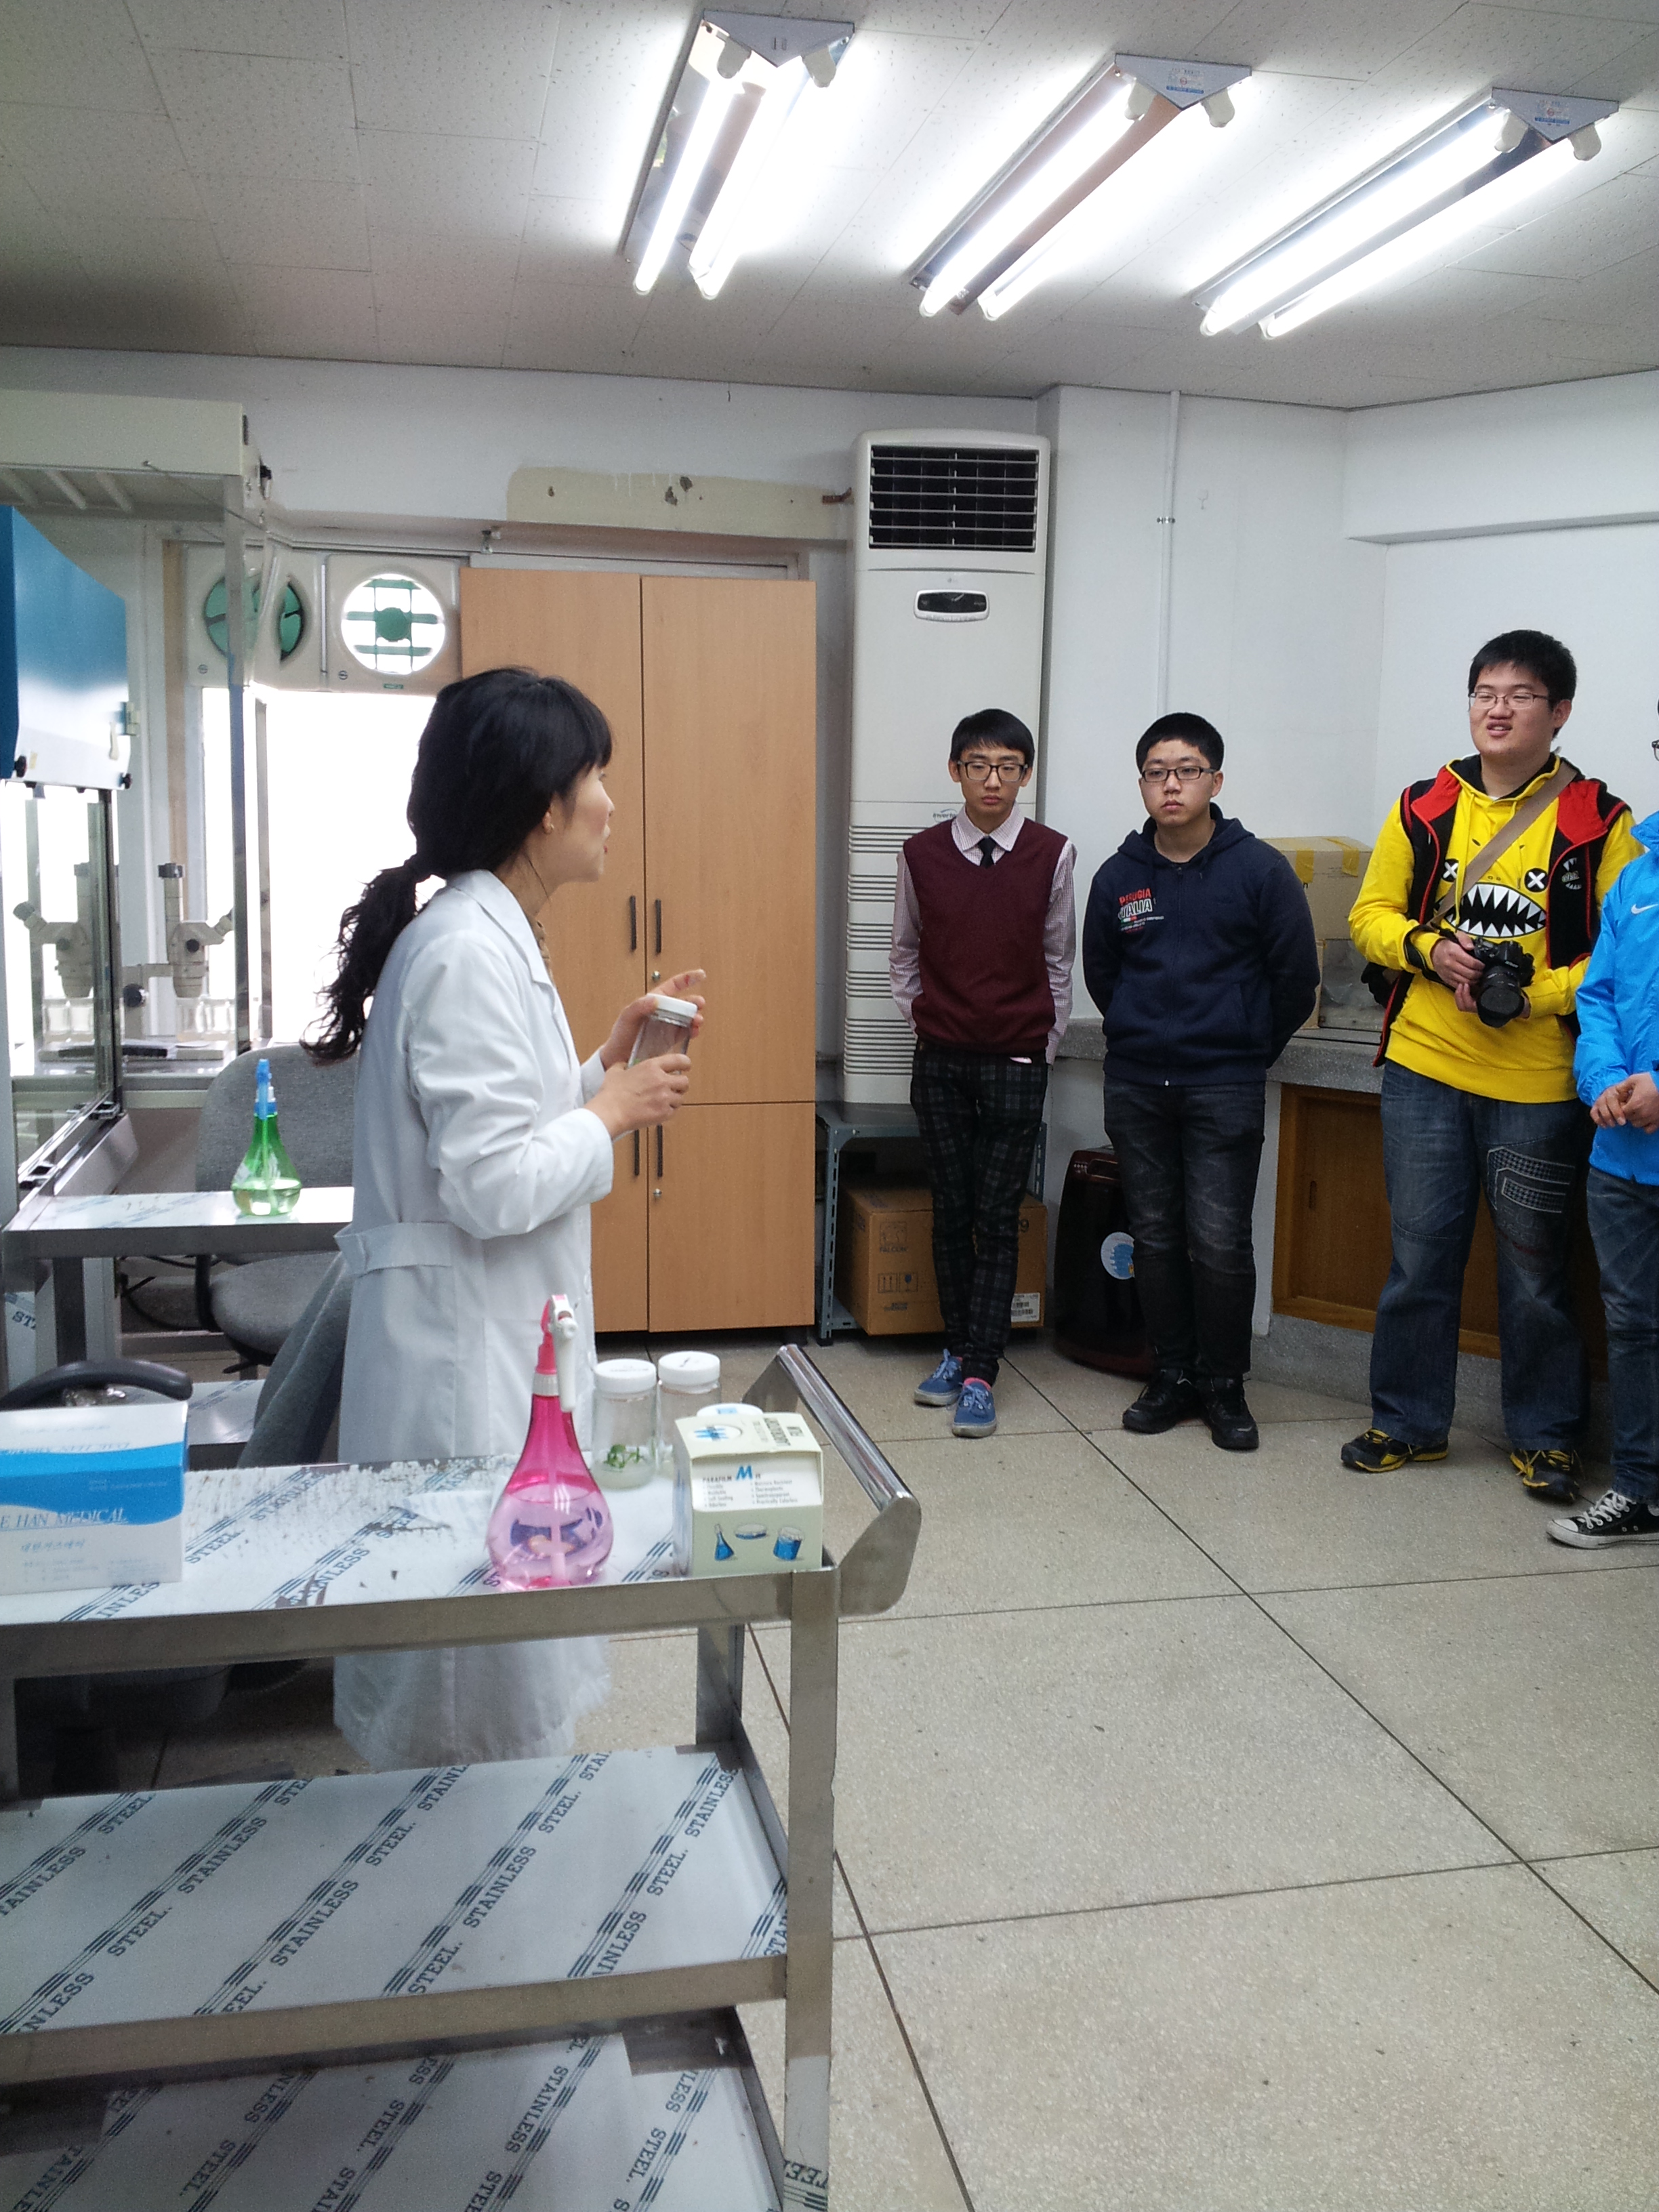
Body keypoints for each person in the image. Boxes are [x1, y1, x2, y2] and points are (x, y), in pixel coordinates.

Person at [309, 667, 704, 1767]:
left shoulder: (487, 934)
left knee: (497, 1635)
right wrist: (614, 1111)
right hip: (460, 1363)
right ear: (542, 804)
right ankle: (466, 1837)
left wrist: (600, 1065)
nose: (609, 804)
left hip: (489, 1334)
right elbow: (487, 1187)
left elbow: (505, 1129)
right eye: (594, 779)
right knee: (465, 1677)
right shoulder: (467, 950)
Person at [1343, 630, 1640, 1497]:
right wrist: (1430, 950)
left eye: (1520, 695)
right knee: (1418, 1260)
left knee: (1537, 1273)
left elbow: (1623, 957)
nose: (1498, 709)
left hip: (1538, 1085)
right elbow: (1369, 916)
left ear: (1560, 711)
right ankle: (1407, 1421)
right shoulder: (1425, 805)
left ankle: (1548, 1439)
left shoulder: (1598, 821)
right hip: (1425, 1068)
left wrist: (1538, 995)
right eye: (1484, 693)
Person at [1082, 712, 1319, 1451]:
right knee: (1154, 1239)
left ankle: (1224, 1384)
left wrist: (1245, 1049)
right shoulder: (1119, 876)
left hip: (1224, 1086)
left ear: (1216, 780)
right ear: (1142, 785)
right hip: (1137, 1085)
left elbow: (1296, 979)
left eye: (1187, 771)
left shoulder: (1260, 871)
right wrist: (1139, 1032)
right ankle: (1172, 1374)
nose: (1171, 785)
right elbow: (1102, 974)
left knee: (1218, 1242)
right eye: (1157, 773)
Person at [890, 708, 1075, 1439]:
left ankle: (980, 1373)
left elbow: (1058, 960)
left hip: (1017, 1061)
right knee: (951, 1211)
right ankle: (955, 1349)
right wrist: (928, 1022)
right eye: (978, 765)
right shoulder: (920, 855)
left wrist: (1044, 1046)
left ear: (1025, 774)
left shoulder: (1053, 854)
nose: (992, 780)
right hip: (941, 1060)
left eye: (1007, 767)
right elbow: (904, 953)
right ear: (955, 771)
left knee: (997, 1219)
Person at [1549, 743, 1659, 1547]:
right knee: (1633, 1328)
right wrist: (1606, 1081)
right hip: (1622, 1156)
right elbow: (1599, 997)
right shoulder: (1637, 876)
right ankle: (1639, 1489)